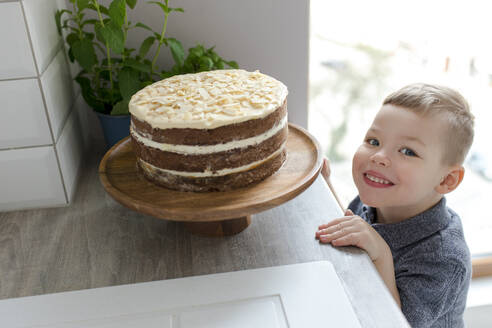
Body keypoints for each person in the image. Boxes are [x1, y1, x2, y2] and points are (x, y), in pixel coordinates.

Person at [315, 83, 474, 327]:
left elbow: (393, 323)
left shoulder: (445, 257)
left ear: (446, 179)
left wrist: (382, 255)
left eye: (408, 151)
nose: (378, 157)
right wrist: (326, 188)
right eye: (374, 141)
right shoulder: (375, 200)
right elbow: (351, 231)